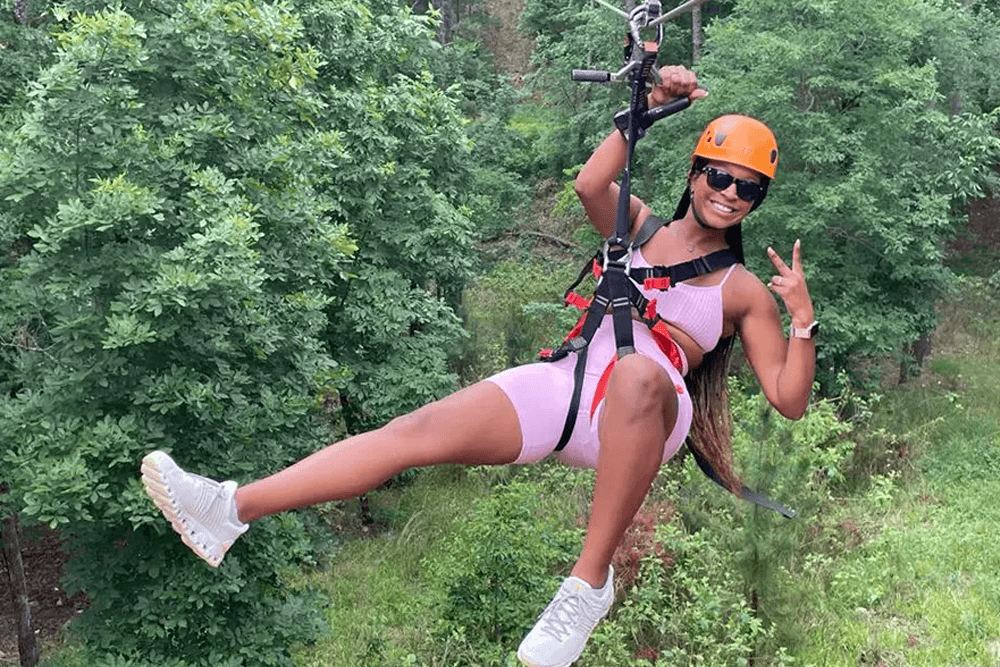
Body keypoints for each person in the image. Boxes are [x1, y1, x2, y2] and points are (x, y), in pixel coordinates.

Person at [141, 65, 816, 667]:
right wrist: (645, 106)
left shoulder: (742, 290)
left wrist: (802, 319)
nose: (731, 193)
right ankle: (230, 507)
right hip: (573, 385)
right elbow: (590, 180)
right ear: (696, 173)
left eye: (749, 188)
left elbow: (788, 399)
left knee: (639, 372)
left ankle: (587, 584)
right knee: (413, 432)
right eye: (721, 175)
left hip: (648, 407)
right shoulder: (637, 226)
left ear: (758, 201)